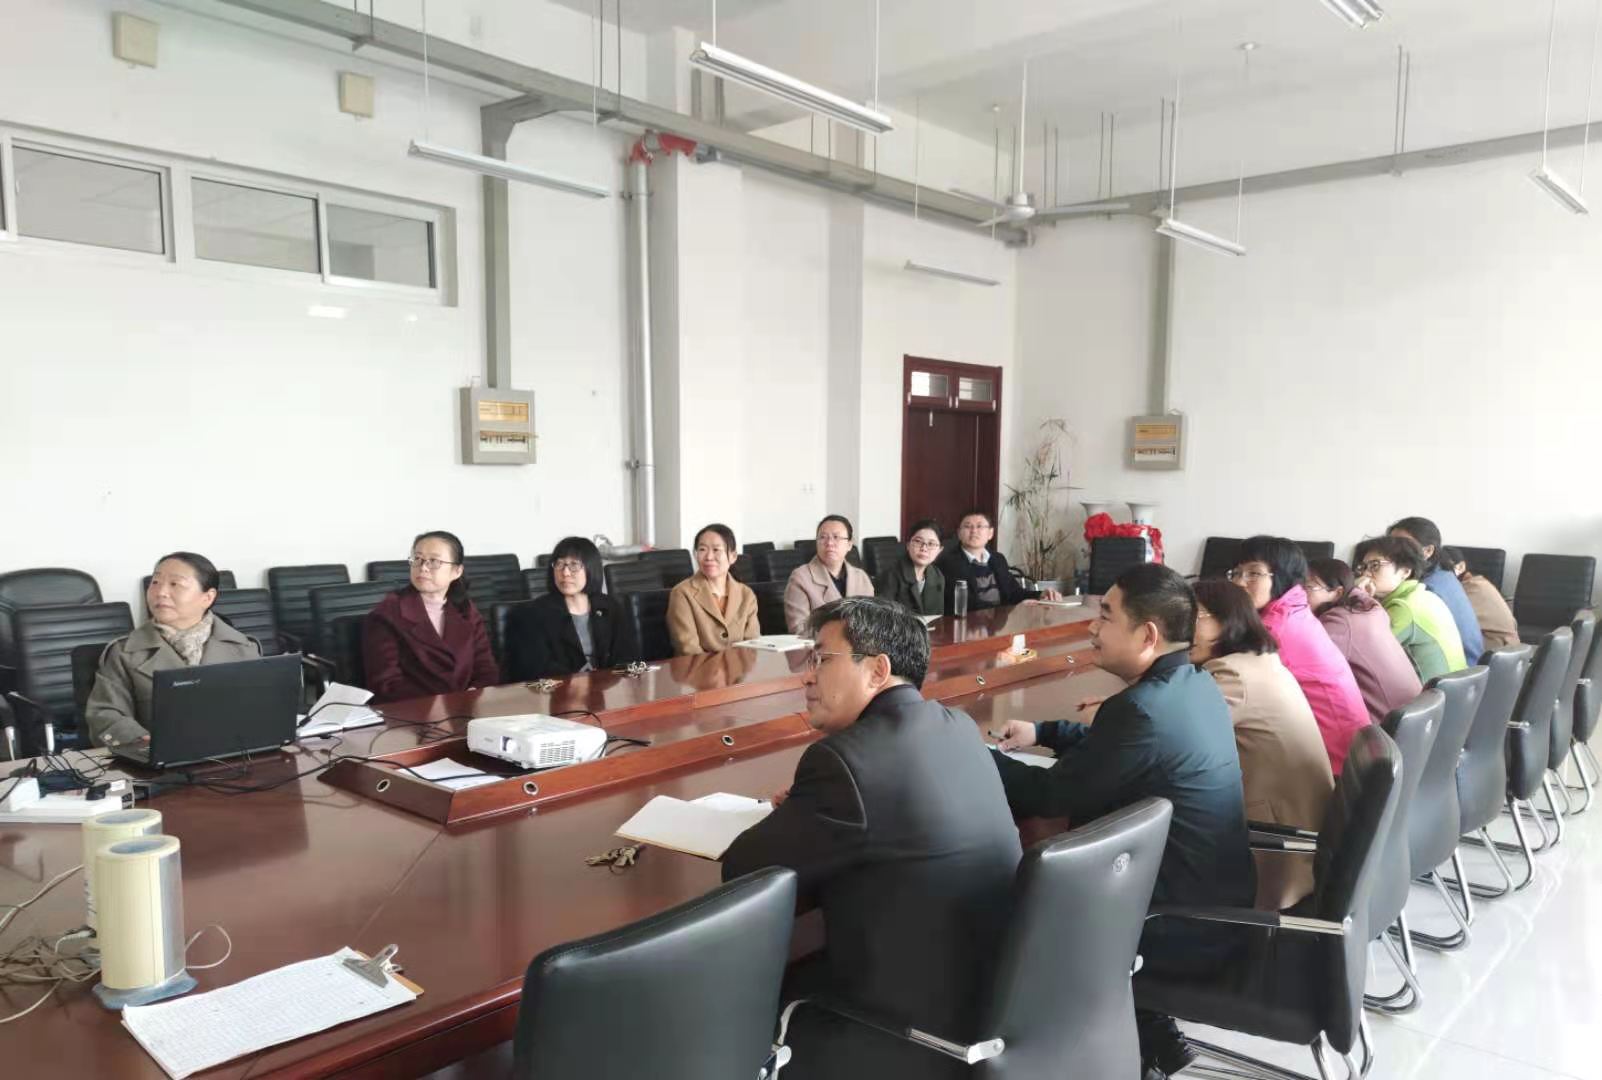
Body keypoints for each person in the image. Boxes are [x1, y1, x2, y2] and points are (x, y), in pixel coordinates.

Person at [723, 598, 1021, 1079]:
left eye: (822, 659)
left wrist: (807, 812)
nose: (806, 677)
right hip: (988, 1006)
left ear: (878, 670)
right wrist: (811, 809)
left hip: (903, 1030)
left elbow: (742, 870)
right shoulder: (959, 726)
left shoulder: (844, 759)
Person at [992, 563, 1252, 1077]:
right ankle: (1151, 1034)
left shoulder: (1142, 709)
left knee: (1008, 900)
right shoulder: (1191, 683)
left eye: (1106, 617)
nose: (1093, 627)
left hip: (1171, 922)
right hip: (1216, 899)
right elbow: (1117, 747)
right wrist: (1045, 731)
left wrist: (971, 755)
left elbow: (1048, 795)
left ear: (1148, 635)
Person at [1190, 581, 1334, 911]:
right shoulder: (1260, 661)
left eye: (1194, 618)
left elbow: (1178, 738)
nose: (1184, 630)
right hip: (1307, 831)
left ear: (1228, 619)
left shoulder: (1231, 673)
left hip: (1277, 849)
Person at [86, 552, 260, 747]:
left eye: (175, 584)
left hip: (234, 754)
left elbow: (261, 709)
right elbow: (105, 714)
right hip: (158, 759)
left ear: (207, 597)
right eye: (155, 582)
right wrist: (141, 742)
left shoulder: (243, 647)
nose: (161, 592)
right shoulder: (124, 653)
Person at [1230, 536, 1369, 776]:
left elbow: (1232, 683)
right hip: (1352, 753)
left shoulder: (1274, 628)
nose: (1239, 582)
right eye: (1237, 573)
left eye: (1253, 573)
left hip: (1330, 764)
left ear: (1281, 576)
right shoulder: (1296, 609)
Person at [363, 531, 499, 703]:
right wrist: (442, 704)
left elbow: (485, 668)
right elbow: (386, 684)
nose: (423, 567)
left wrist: (469, 697)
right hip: (413, 712)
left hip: (466, 708)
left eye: (434, 561)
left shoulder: (465, 609)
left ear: (457, 571)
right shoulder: (387, 613)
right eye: (417, 559)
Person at [1305, 558, 1423, 726]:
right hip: (1413, 718)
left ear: (1337, 593)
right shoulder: (1371, 609)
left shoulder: (1340, 623)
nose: (1300, 594)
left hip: (1385, 727)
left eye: (1308, 587)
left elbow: (1306, 668)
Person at [504, 536, 637, 680]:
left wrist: (606, 680)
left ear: (591, 569)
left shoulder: (610, 607)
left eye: (574, 565)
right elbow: (535, 668)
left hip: (607, 689)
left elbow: (627, 656)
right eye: (559, 564)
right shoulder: (531, 614)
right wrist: (577, 680)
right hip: (559, 690)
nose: (565, 573)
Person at [1353, 536, 1467, 683]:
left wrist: (1356, 597)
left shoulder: (1404, 607)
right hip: (1454, 689)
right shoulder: (1423, 595)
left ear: (1405, 572)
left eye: (1375, 566)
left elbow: (1361, 654)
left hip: (1433, 694)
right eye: (1363, 567)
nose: (1366, 574)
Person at [1388, 517, 1485, 665]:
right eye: (1390, 545)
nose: (1391, 553)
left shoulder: (1425, 590)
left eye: (1402, 545)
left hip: (1458, 670)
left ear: (1428, 551)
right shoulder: (1445, 575)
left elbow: (1382, 643)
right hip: (1470, 670)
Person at [936, 508, 1062, 614]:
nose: (974, 531)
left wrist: (1040, 595)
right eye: (968, 526)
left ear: (990, 533)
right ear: (959, 533)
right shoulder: (948, 563)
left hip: (996, 625)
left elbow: (1014, 593)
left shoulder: (998, 559)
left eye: (980, 526)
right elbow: (967, 604)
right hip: (967, 626)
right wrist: (1012, 609)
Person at [666, 523, 761, 654]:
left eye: (716, 550)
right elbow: (687, 648)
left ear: (733, 556)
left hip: (740, 666)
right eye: (702, 549)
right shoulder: (682, 593)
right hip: (697, 666)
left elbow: (752, 645)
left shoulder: (746, 594)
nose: (709, 557)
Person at [784, 514, 874, 635]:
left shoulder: (861, 578)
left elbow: (871, 623)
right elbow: (799, 629)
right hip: (819, 646)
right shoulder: (800, 578)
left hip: (858, 646)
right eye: (823, 537)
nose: (829, 543)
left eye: (836, 537)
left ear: (849, 545)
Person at [1440, 545, 1519, 652]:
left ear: (1461, 567)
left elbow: (1445, 620)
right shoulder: (1475, 583)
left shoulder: (1474, 588)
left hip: (1498, 650)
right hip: (1501, 647)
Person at [873, 518, 946, 616]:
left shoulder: (937, 576)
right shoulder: (890, 575)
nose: (924, 548)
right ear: (908, 545)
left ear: (940, 550)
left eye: (931, 544)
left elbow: (937, 616)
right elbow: (881, 616)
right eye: (918, 541)